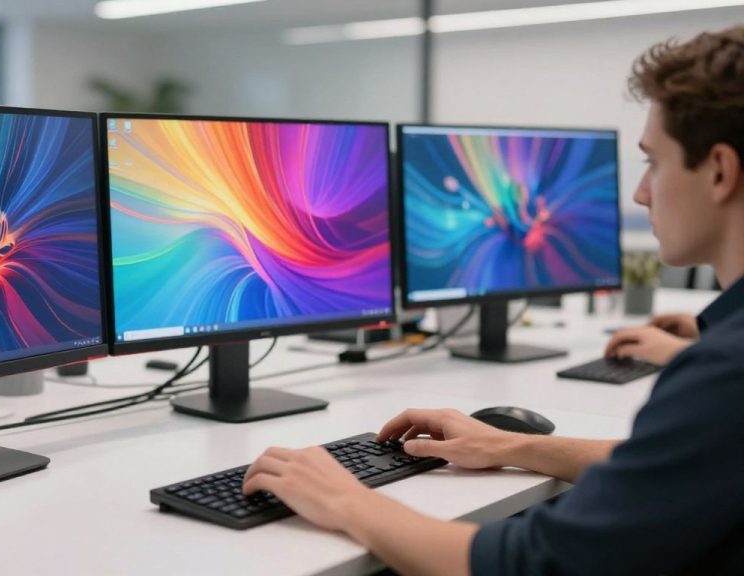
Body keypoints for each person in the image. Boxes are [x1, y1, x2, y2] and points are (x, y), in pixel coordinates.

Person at [243, 25, 744, 576]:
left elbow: (528, 564)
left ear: (719, 171)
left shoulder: (724, 373)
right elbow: (670, 473)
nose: (640, 192)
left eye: (654, 162)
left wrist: (346, 500)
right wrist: (511, 445)